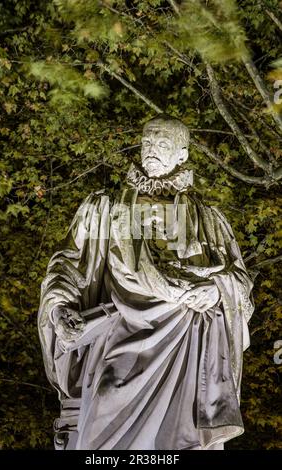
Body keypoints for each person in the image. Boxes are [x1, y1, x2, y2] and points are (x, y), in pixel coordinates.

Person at [38, 115, 254, 450]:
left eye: (163, 143)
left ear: (182, 154)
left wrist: (215, 290)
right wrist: (59, 308)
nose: (151, 149)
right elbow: (68, 262)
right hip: (122, 329)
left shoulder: (209, 219)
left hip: (184, 339)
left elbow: (239, 279)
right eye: (147, 142)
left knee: (179, 441)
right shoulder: (106, 208)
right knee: (104, 412)